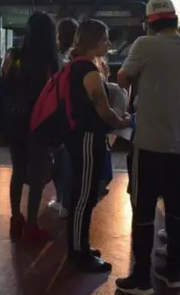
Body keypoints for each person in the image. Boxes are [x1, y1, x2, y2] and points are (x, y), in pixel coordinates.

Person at [115, 0, 180, 293]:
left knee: (143, 210)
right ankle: (173, 273)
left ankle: (141, 278)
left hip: (150, 143)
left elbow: (122, 78)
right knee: (177, 207)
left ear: (150, 23)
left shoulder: (144, 44)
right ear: (174, 19)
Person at [65, 19, 129, 272]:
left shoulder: (77, 65)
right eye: (104, 38)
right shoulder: (88, 70)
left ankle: (79, 244)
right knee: (84, 195)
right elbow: (102, 108)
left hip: (80, 136)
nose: (108, 43)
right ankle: (78, 252)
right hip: (88, 137)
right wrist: (120, 121)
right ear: (93, 40)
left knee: (83, 193)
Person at [4, 12, 60, 242]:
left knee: (18, 170)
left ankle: (16, 219)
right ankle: (32, 225)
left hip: (14, 121)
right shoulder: (50, 61)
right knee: (37, 175)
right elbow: (52, 95)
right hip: (38, 122)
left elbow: (5, 83)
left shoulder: (14, 55)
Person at [47, 17, 79, 217]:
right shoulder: (80, 56)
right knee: (72, 159)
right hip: (75, 113)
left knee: (58, 159)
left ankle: (60, 198)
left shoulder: (54, 57)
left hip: (58, 113)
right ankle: (68, 200)